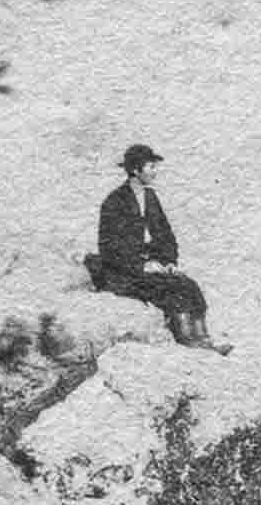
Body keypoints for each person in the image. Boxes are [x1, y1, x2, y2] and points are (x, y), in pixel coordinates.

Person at [93, 145, 232, 352]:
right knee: (172, 290)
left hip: (149, 265)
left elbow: (165, 234)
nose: (154, 171)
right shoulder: (115, 201)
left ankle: (203, 338)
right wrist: (142, 265)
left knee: (188, 284)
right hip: (123, 272)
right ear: (135, 170)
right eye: (150, 166)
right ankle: (188, 339)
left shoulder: (150, 197)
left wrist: (168, 262)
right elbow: (110, 247)